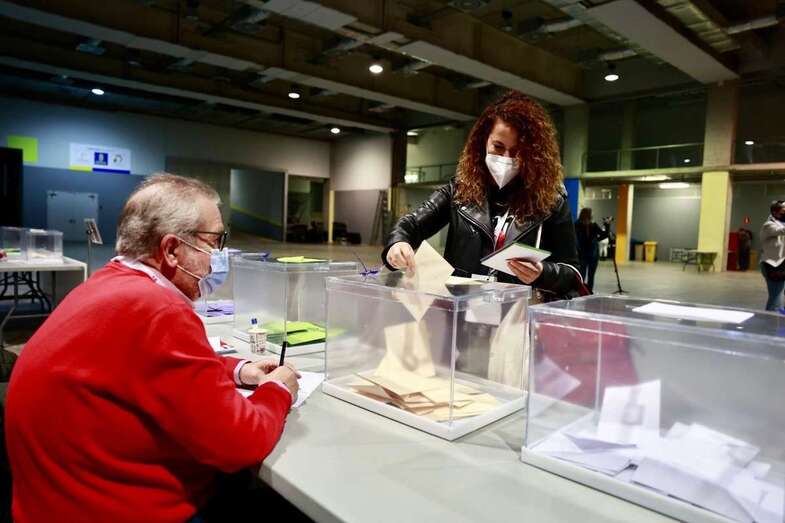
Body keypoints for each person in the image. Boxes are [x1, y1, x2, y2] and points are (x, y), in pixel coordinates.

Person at [5, 174, 300, 522]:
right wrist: (278, 390)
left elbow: (148, 365)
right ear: (172, 250)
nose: (219, 256)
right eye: (215, 241)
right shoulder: (158, 310)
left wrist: (238, 370)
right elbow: (239, 444)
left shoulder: (108, 285)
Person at [383, 91, 582, 300]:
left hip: (517, 312)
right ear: (483, 142)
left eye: (517, 151)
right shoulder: (459, 190)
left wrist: (543, 273)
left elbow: (572, 272)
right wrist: (398, 244)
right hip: (461, 309)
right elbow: (410, 225)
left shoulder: (551, 201)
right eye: (498, 147)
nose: (506, 158)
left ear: (533, 153)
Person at [574, 208, 611, 292]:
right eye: (591, 214)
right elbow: (576, 240)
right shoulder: (577, 225)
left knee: (589, 277)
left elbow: (604, 235)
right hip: (583, 255)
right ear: (588, 215)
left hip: (592, 256)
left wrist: (607, 225)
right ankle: (582, 292)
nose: (592, 215)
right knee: (582, 276)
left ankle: (588, 292)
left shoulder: (593, 225)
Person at [761, 200, 785, 311]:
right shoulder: (769, 225)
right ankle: (770, 319)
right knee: (775, 299)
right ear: (775, 212)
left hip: (781, 264)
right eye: (783, 211)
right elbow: (780, 231)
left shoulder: (781, 223)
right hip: (772, 265)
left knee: (777, 297)